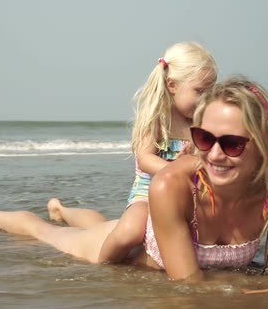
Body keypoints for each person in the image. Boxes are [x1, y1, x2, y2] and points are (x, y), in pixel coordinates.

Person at [0, 76, 268, 301]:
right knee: (47, 234)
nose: (214, 155)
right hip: (133, 254)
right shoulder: (172, 185)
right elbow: (188, 287)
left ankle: (64, 210)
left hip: (143, 235)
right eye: (204, 138)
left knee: (97, 223)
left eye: (232, 143)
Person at [48, 41, 218, 263]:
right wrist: (175, 168)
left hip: (184, 198)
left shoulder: (203, 121)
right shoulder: (158, 118)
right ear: (172, 85)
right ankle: (103, 267)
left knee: (102, 227)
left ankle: (61, 211)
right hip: (146, 196)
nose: (206, 98)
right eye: (199, 91)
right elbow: (145, 159)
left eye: (211, 91)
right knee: (130, 231)